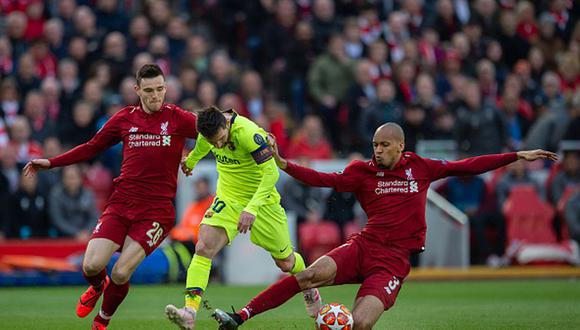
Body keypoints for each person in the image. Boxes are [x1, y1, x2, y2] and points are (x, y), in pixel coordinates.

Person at [212, 122, 557, 330]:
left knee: (360, 323)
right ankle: (240, 316)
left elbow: (465, 166)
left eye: (384, 146)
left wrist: (515, 156)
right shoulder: (362, 172)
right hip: (364, 245)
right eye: (375, 145)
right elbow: (322, 179)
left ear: (400, 147)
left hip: (393, 261)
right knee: (306, 276)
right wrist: (283, 163)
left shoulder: (420, 167)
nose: (377, 151)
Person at [23, 64, 198, 330]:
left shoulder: (177, 118)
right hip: (121, 204)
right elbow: (92, 147)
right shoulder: (124, 118)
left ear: (166, 88)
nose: (155, 96)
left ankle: (101, 321)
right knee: (91, 265)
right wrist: (51, 162)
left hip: (156, 211)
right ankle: (97, 286)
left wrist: (194, 157)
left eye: (160, 89)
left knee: (121, 271)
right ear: (137, 90)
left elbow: (215, 129)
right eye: (149, 90)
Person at [164, 106, 321, 330]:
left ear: (226, 125)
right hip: (229, 197)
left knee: (285, 262)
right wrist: (192, 161)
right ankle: (189, 312)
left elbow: (272, 173)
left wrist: (252, 209)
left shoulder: (249, 133)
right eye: (213, 142)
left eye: (220, 139)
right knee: (203, 247)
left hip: (262, 200)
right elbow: (203, 143)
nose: (218, 145)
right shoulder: (208, 130)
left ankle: (309, 287)